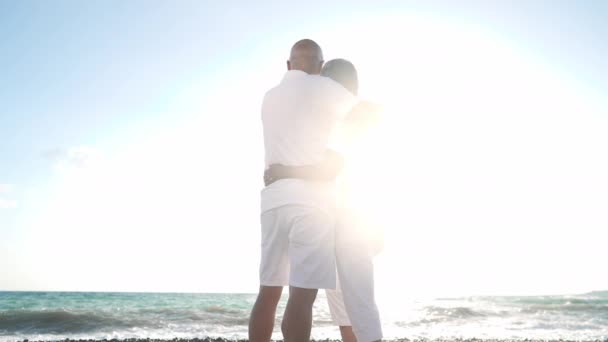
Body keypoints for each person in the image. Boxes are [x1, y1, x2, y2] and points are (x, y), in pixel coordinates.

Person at [264, 59, 383, 342]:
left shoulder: (352, 114)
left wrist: (284, 171)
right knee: (347, 307)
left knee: (356, 305)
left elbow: (331, 169)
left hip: (348, 221)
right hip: (333, 218)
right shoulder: (339, 115)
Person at [249, 39, 359, 342]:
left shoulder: (269, 97)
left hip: (272, 200)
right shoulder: (327, 91)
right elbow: (362, 114)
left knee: (268, 292)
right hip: (311, 204)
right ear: (320, 67)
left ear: (288, 65)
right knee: (301, 297)